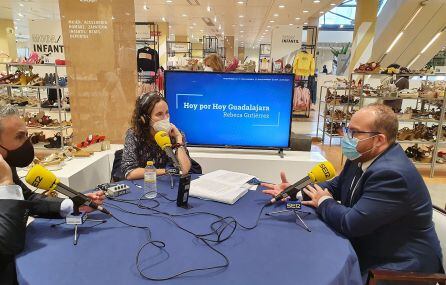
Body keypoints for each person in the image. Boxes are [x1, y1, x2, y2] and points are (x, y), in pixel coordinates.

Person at [263, 104, 442, 279]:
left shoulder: (392, 175)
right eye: (347, 130)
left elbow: (351, 223)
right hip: (369, 245)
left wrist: (324, 201)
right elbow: (334, 187)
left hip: (398, 269)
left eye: (354, 132)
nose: (347, 137)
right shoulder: (359, 157)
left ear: (379, 139)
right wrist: (294, 191)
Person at [0, 105, 105, 284]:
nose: (27, 142)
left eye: (27, 134)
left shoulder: (7, 165)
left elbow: (28, 199)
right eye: (19, 137)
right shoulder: (4, 173)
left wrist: (72, 204)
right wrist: (5, 182)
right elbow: (7, 244)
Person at [122, 91, 194, 180]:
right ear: (144, 119)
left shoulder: (175, 134)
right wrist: (166, 171)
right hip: (144, 185)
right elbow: (130, 173)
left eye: (167, 112)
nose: (165, 118)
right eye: (159, 114)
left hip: (167, 184)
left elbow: (184, 169)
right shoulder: (134, 134)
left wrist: (178, 139)